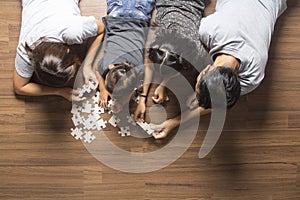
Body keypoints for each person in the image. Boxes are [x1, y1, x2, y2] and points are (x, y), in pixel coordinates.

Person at [150, 0, 287, 139]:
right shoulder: (209, 30)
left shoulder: (253, 75)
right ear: (206, 70)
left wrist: (174, 122)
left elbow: (218, 102)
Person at [134, 0, 211, 128]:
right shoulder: (158, 41)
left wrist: (163, 84)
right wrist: (142, 98)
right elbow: (149, 61)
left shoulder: (197, 53)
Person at [13, 0, 104, 101]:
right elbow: (19, 88)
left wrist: (87, 65)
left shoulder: (72, 31)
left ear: (68, 50)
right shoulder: (26, 50)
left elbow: (101, 29)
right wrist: (60, 91)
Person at [90, 0, 155, 113]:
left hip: (139, 14)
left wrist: (142, 100)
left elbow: (150, 69)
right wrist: (103, 89)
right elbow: (97, 68)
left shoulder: (138, 70)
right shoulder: (107, 64)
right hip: (117, 12)